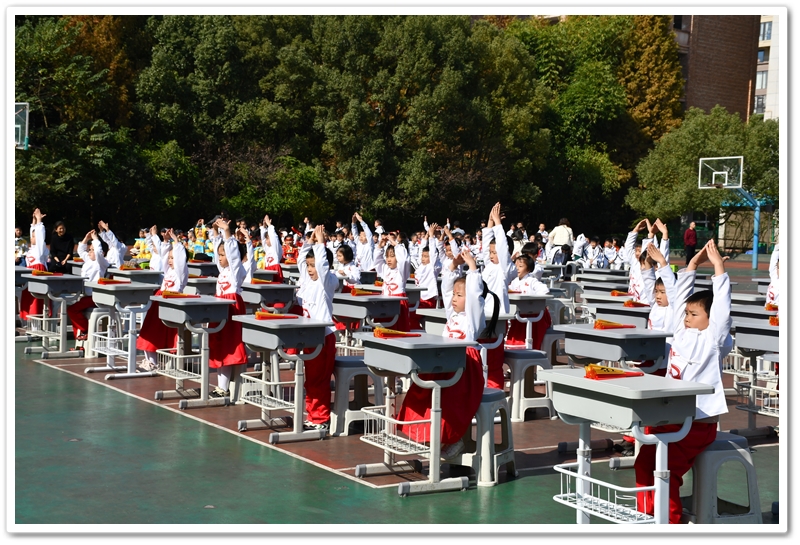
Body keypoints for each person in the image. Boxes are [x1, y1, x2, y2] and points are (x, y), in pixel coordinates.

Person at [634, 238, 732, 524]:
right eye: (687, 313)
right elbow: (679, 298)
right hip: (671, 416)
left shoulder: (714, 340)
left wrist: (718, 268)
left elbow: (722, 308)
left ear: (710, 319)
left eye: (694, 314)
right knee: (644, 463)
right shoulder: (680, 332)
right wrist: (690, 265)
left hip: (697, 424)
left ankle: (668, 524)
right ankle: (646, 516)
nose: (687, 317)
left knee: (666, 469)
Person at [397, 248, 487, 460]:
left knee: (449, 400)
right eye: (454, 295)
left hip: (465, 368)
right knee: (421, 389)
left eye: (459, 295)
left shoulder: (473, 320)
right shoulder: (453, 315)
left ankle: (452, 439)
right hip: (445, 363)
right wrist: (453, 266)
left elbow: (475, 296)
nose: (454, 299)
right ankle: (423, 435)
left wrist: (472, 267)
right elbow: (446, 289)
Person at [296, 225, 339, 432]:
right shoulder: (307, 282)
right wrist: (309, 243)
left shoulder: (328, 282)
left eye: (313, 265)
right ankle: (312, 415)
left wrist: (321, 244)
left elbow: (322, 268)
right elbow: (300, 262)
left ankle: (321, 419)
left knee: (319, 380)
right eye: (308, 265)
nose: (310, 269)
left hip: (324, 337)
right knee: (310, 380)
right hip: (309, 337)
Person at [136, 227, 188, 370]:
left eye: (173, 258)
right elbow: (163, 256)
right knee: (150, 331)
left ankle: (159, 362)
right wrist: (166, 241)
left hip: (172, 304)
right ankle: (150, 361)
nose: (170, 260)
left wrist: (176, 242)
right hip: (159, 302)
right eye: (170, 258)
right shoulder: (168, 271)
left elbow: (180, 260)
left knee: (165, 334)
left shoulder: (181, 273)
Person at [207, 218, 248, 398]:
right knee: (218, 344)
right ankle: (221, 386)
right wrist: (216, 232)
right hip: (219, 309)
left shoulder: (235, 271)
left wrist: (227, 232)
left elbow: (232, 256)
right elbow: (219, 253)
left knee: (228, 345)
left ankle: (224, 388)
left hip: (231, 309)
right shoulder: (223, 270)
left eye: (223, 255)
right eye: (219, 255)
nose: (220, 258)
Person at [66, 230, 110, 341]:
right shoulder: (88, 260)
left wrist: (95, 239)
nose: (89, 252)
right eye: (89, 250)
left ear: (102, 253)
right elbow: (80, 250)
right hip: (86, 296)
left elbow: (98, 252)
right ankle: (79, 341)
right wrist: (86, 238)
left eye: (92, 250)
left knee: (72, 310)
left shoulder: (101, 263)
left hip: (95, 297)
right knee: (74, 311)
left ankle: (86, 330)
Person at [505, 254, 552, 352]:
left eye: (521, 266)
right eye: (515, 266)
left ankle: (529, 350)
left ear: (528, 269)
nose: (517, 269)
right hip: (519, 314)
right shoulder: (514, 281)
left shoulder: (532, 280)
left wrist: (533, 300)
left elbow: (544, 290)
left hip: (534, 314)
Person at [373, 226, 411, 331]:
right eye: (387, 256)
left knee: (397, 330)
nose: (389, 259)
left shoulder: (402, 272)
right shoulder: (386, 269)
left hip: (398, 304)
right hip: (384, 303)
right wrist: (380, 247)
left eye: (392, 256)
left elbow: (404, 260)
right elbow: (377, 262)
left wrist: (395, 244)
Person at [19, 208, 50, 323]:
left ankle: (36, 325)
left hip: (38, 274)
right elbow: (34, 231)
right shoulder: (32, 249)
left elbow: (40, 235)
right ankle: (30, 324)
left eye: (33, 236)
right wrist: (34, 222)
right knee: (29, 300)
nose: (31, 238)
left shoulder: (39, 250)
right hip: (30, 275)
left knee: (36, 301)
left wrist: (39, 221)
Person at [409, 222, 441, 329]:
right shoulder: (420, 266)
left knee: (410, 313)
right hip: (418, 300)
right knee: (405, 310)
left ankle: (417, 332)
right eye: (423, 256)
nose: (423, 258)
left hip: (428, 301)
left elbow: (433, 253)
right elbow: (422, 248)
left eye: (426, 256)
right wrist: (426, 235)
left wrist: (431, 236)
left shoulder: (432, 267)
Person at [258, 214, 284, 282]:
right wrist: (263, 227)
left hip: (275, 269)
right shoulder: (268, 249)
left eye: (267, 239)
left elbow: (273, 237)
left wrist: (269, 225)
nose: (266, 241)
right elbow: (263, 240)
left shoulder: (276, 248)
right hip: (268, 269)